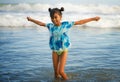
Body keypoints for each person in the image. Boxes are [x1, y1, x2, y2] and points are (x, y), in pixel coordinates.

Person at [27, 7, 100, 80]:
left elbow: (80, 22)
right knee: (56, 73)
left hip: (64, 50)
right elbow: (40, 23)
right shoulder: (50, 26)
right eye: (52, 18)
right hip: (55, 51)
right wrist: (31, 20)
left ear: (60, 17)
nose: (54, 19)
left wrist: (93, 19)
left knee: (61, 71)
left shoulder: (66, 24)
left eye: (56, 17)